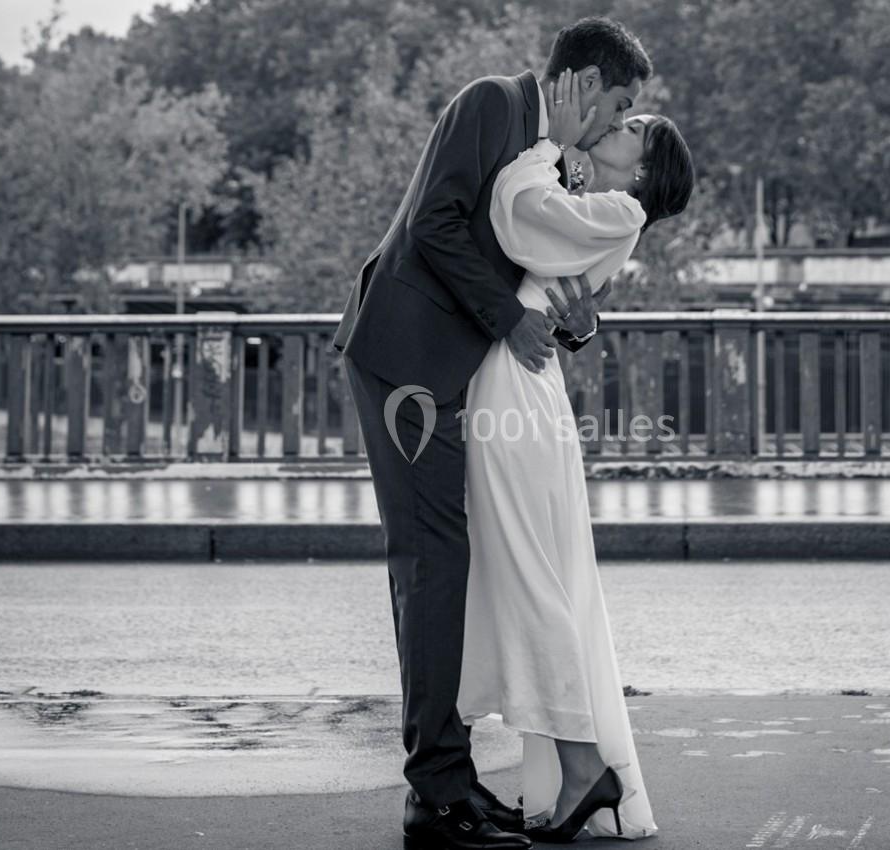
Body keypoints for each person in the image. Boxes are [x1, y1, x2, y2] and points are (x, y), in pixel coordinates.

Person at [332, 16, 653, 850]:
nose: (618, 122)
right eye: (621, 104)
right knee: (432, 566)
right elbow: (434, 225)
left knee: (452, 568)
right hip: (405, 362)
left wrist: (574, 322)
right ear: (586, 81)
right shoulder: (491, 103)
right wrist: (509, 319)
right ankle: (436, 796)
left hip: (458, 375)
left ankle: (453, 782)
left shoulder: (551, 157)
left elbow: (543, 275)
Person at [456, 59, 694, 843]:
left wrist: (549, 144)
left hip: (516, 390)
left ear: (644, 168)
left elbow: (517, 213)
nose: (617, 125)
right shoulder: (601, 209)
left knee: (531, 576)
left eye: (631, 126)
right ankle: (576, 763)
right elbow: (553, 263)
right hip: (523, 384)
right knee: (534, 573)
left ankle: (584, 763)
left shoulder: (618, 210)